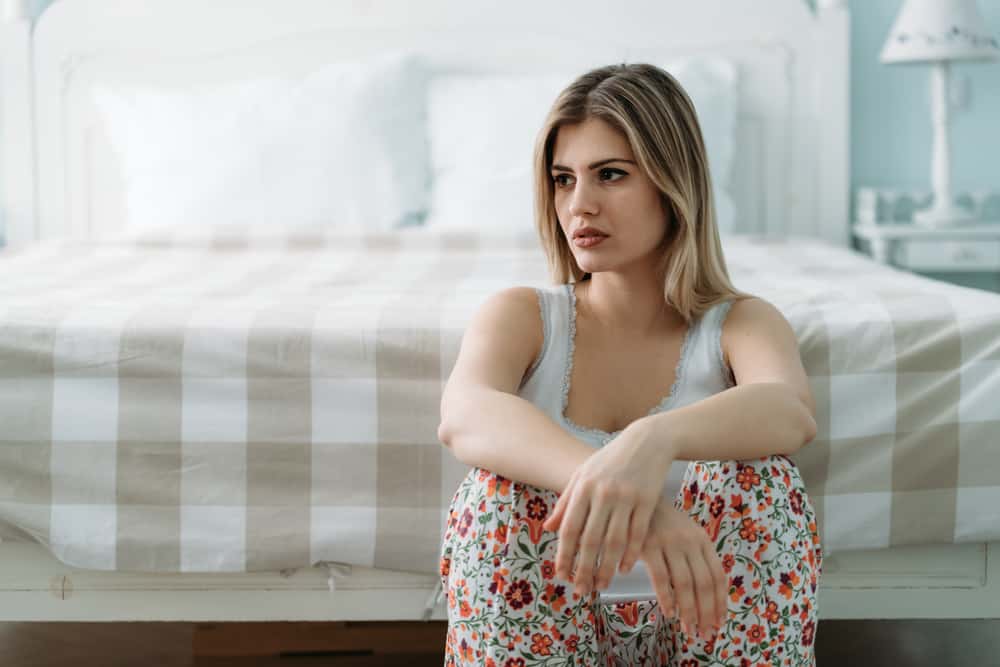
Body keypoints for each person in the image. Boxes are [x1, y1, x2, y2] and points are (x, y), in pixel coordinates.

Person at [436, 62, 823, 666]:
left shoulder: (742, 322)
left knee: (761, 481)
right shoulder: (522, 315)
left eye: (610, 175)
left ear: (673, 184)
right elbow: (465, 414)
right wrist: (628, 499)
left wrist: (652, 440)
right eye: (563, 179)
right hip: (546, 621)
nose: (578, 205)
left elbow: (790, 410)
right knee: (495, 492)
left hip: (706, 617)